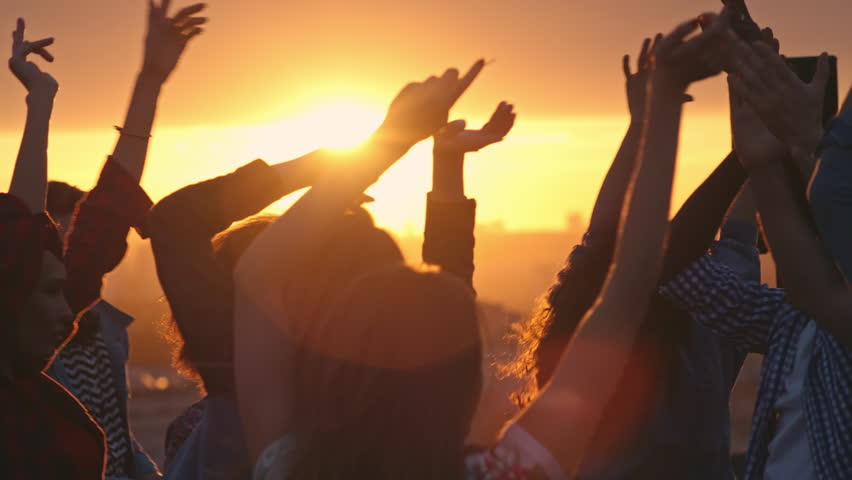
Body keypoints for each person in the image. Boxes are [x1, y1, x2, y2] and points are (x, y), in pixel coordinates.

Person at [238, 10, 732, 479]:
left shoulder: (287, 468)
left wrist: (390, 139)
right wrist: (665, 103)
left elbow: (256, 274)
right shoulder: (510, 472)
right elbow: (629, 286)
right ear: (464, 382)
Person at [528, 30, 776, 479]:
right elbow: (737, 232)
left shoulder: (578, 354)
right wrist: (758, 130)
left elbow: (602, 238)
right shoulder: (712, 326)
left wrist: (644, 120)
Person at [661, 38, 852, 479]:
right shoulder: (793, 321)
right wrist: (752, 159)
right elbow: (674, 264)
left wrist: (799, 144)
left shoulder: (811, 313)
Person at [0, 19, 106, 479]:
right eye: (45, 292)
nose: (70, 314)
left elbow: (20, 227)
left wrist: (40, 100)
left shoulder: (33, 400)